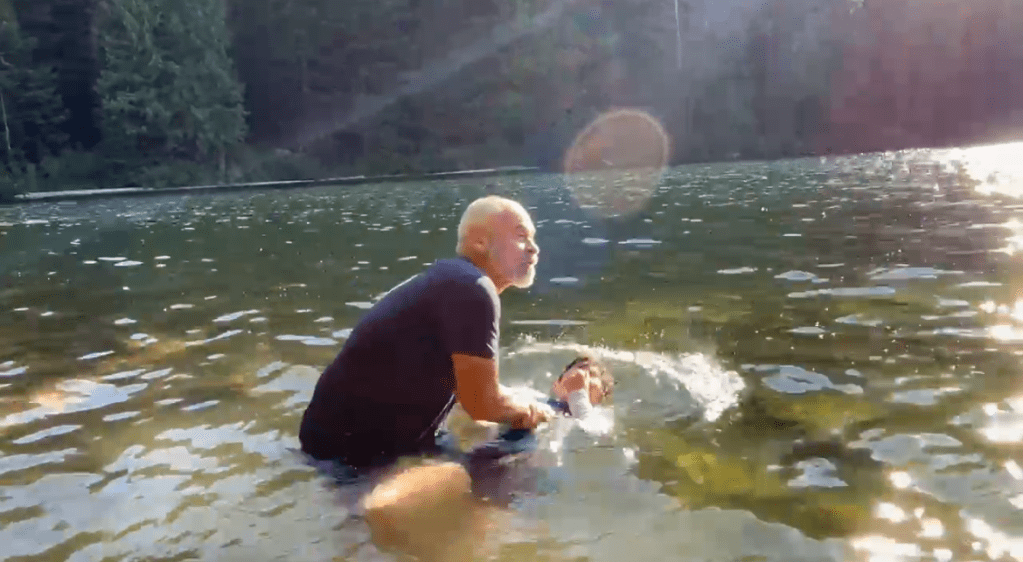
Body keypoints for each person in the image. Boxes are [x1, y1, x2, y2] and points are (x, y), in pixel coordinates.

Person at [298, 195, 548, 474]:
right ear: (480, 242)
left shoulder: (453, 280)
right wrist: (530, 410)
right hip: (353, 460)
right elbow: (482, 403)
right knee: (523, 448)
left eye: (533, 238)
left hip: (330, 446)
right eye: (521, 236)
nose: (534, 248)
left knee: (489, 437)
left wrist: (511, 400)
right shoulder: (473, 288)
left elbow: (472, 393)